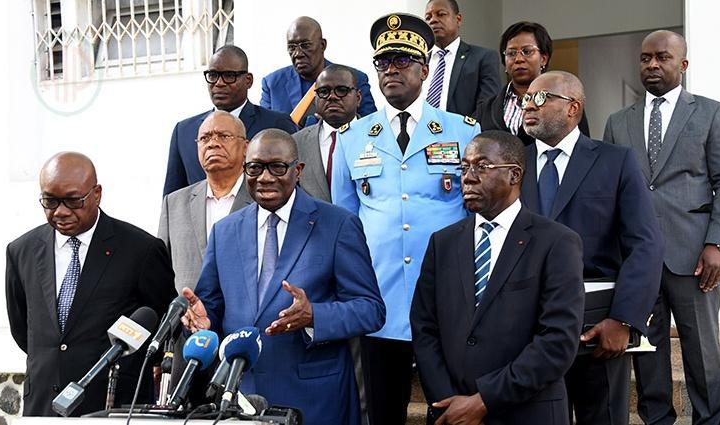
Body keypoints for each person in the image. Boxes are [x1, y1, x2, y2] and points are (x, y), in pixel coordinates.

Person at [331, 13, 481, 425]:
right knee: (381, 411)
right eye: (383, 63)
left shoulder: (463, 131)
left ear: (425, 68)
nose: (390, 70)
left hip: (445, 296)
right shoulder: (352, 138)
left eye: (401, 61)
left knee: (449, 408)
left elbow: (475, 215)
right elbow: (346, 223)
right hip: (379, 298)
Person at [181, 129, 386, 425]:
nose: (265, 177)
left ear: (298, 170)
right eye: (255, 168)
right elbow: (212, 307)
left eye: (277, 167)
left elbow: (371, 310)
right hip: (242, 400)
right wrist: (203, 322)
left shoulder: (338, 224)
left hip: (316, 400)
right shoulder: (225, 231)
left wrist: (314, 315)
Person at [603, 30, 720, 425]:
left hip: (695, 256)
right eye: (645, 58)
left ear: (682, 65)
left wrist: (719, 243)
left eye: (662, 58)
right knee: (647, 353)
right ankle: (657, 420)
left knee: (702, 353)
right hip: (638, 259)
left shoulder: (711, 112)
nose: (652, 65)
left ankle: (709, 420)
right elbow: (613, 190)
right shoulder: (618, 122)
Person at [411, 130, 585, 425]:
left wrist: (483, 401)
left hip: (527, 412)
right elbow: (424, 327)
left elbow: (557, 342)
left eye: (481, 166)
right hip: (451, 413)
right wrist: (447, 402)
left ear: (514, 175)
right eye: (464, 167)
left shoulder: (556, 242)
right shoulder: (443, 243)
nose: (468, 177)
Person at [519, 71, 663, 425]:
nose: (529, 105)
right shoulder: (512, 164)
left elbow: (645, 244)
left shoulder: (616, 161)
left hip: (598, 324)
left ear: (573, 108)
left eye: (542, 98)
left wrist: (625, 320)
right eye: (526, 99)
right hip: (526, 327)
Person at [5, 152, 176, 416]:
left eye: (73, 200)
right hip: (42, 406)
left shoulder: (141, 250)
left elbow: (163, 325)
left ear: (96, 194)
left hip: (112, 407)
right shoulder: (21, 251)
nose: (60, 211)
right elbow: (22, 328)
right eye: (50, 201)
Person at [164, 45, 297, 196]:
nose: (219, 83)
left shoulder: (276, 124)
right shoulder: (184, 131)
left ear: (248, 80)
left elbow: (294, 182)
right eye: (213, 75)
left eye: (228, 76)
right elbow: (173, 197)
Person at [159, 111, 253, 293]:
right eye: (205, 138)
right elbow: (160, 271)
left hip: (245, 319)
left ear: (245, 147)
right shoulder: (175, 203)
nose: (213, 143)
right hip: (187, 317)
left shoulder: (261, 199)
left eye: (224, 136)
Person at [474, 21, 589, 146]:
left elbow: (582, 150)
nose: (518, 59)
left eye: (527, 51)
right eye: (511, 53)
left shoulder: (565, 102)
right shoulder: (485, 109)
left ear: (543, 58)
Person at [261, 16, 376, 126]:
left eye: (305, 45)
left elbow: (372, 125)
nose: (298, 54)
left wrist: (338, 124)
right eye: (292, 47)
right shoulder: (272, 84)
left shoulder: (354, 78)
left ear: (322, 45)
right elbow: (264, 131)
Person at [293, 64, 361, 202]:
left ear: (358, 98)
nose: (332, 97)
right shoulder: (296, 143)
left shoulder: (378, 138)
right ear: (315, 99)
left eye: (341, 90)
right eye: (324, 91)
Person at [422, 0, 500, 116]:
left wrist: (464, 131)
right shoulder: (418, 61)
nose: (433, 20)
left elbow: (486, 109)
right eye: (428, 18)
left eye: (441, 14)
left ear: (458, 19)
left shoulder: (483, 58)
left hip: (464, 132)